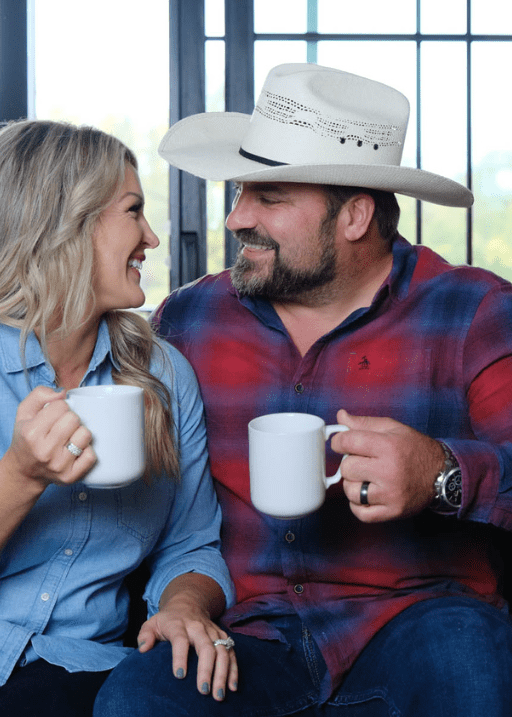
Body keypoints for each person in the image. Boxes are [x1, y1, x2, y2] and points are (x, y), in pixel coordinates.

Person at [94, 63, 512, 716]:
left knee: (469, 653)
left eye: (271, 197)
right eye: (238, 193)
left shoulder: (473, 312)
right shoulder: (188, 320)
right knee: (137, 696)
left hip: (417, 625)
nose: (236, 219)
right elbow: (156, 507)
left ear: (355, 216)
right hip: (245, 639)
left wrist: (441, 475)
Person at [0, 119, 238, 717]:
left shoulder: (164, 375)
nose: (151, 238)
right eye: (133, 211)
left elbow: (191, 543)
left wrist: (186, 604)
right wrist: (20, 475)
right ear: (65, 225)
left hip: (79, 661)